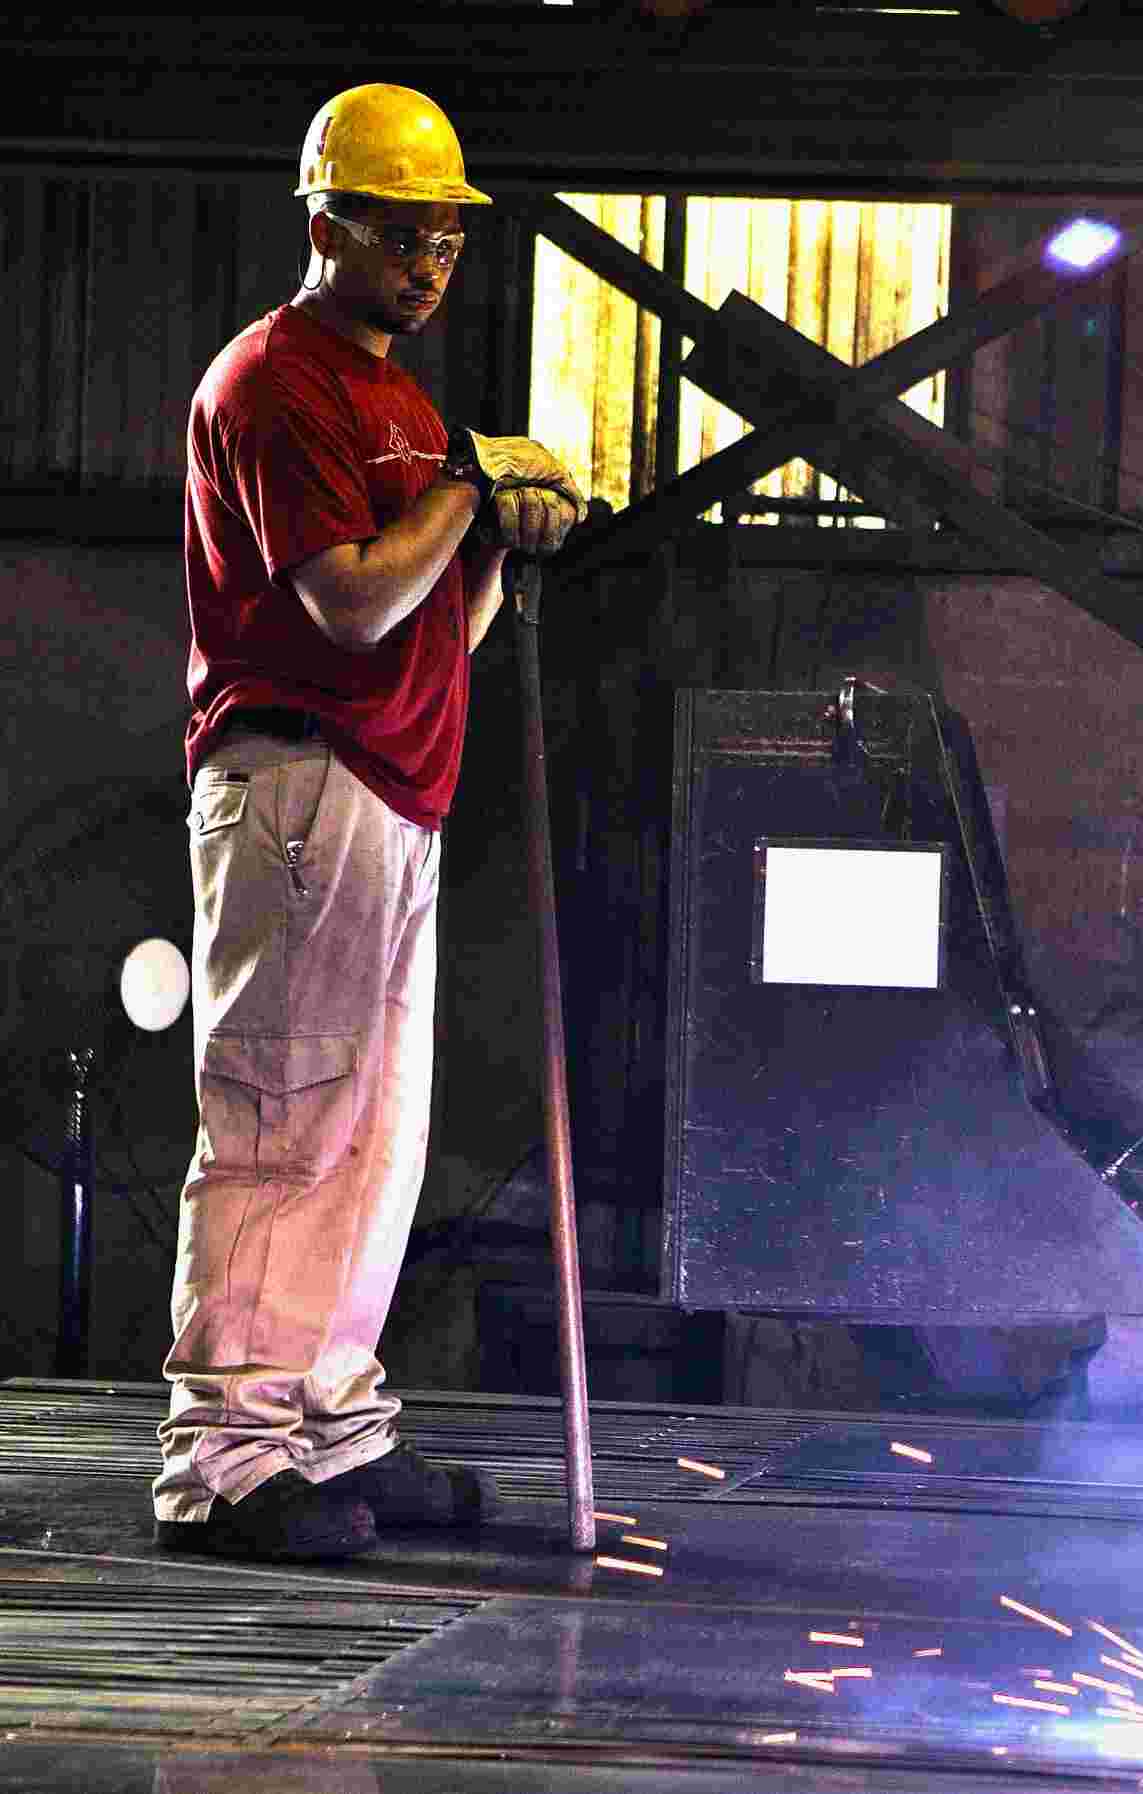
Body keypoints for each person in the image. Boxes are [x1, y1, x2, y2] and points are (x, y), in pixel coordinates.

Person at [153, 84, 589, 1560]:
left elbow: (425, 629)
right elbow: (341, 599)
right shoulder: (277, 383)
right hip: (298, 775)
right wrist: (472, 490)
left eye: (446, 240)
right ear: (325, 225)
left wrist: (498, 546)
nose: (427, 263)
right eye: (400, 235)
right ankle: (225, 1456)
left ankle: (329, 1424)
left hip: (393, 785)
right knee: (282, 1118)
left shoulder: (402, 402)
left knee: (372, 1131)